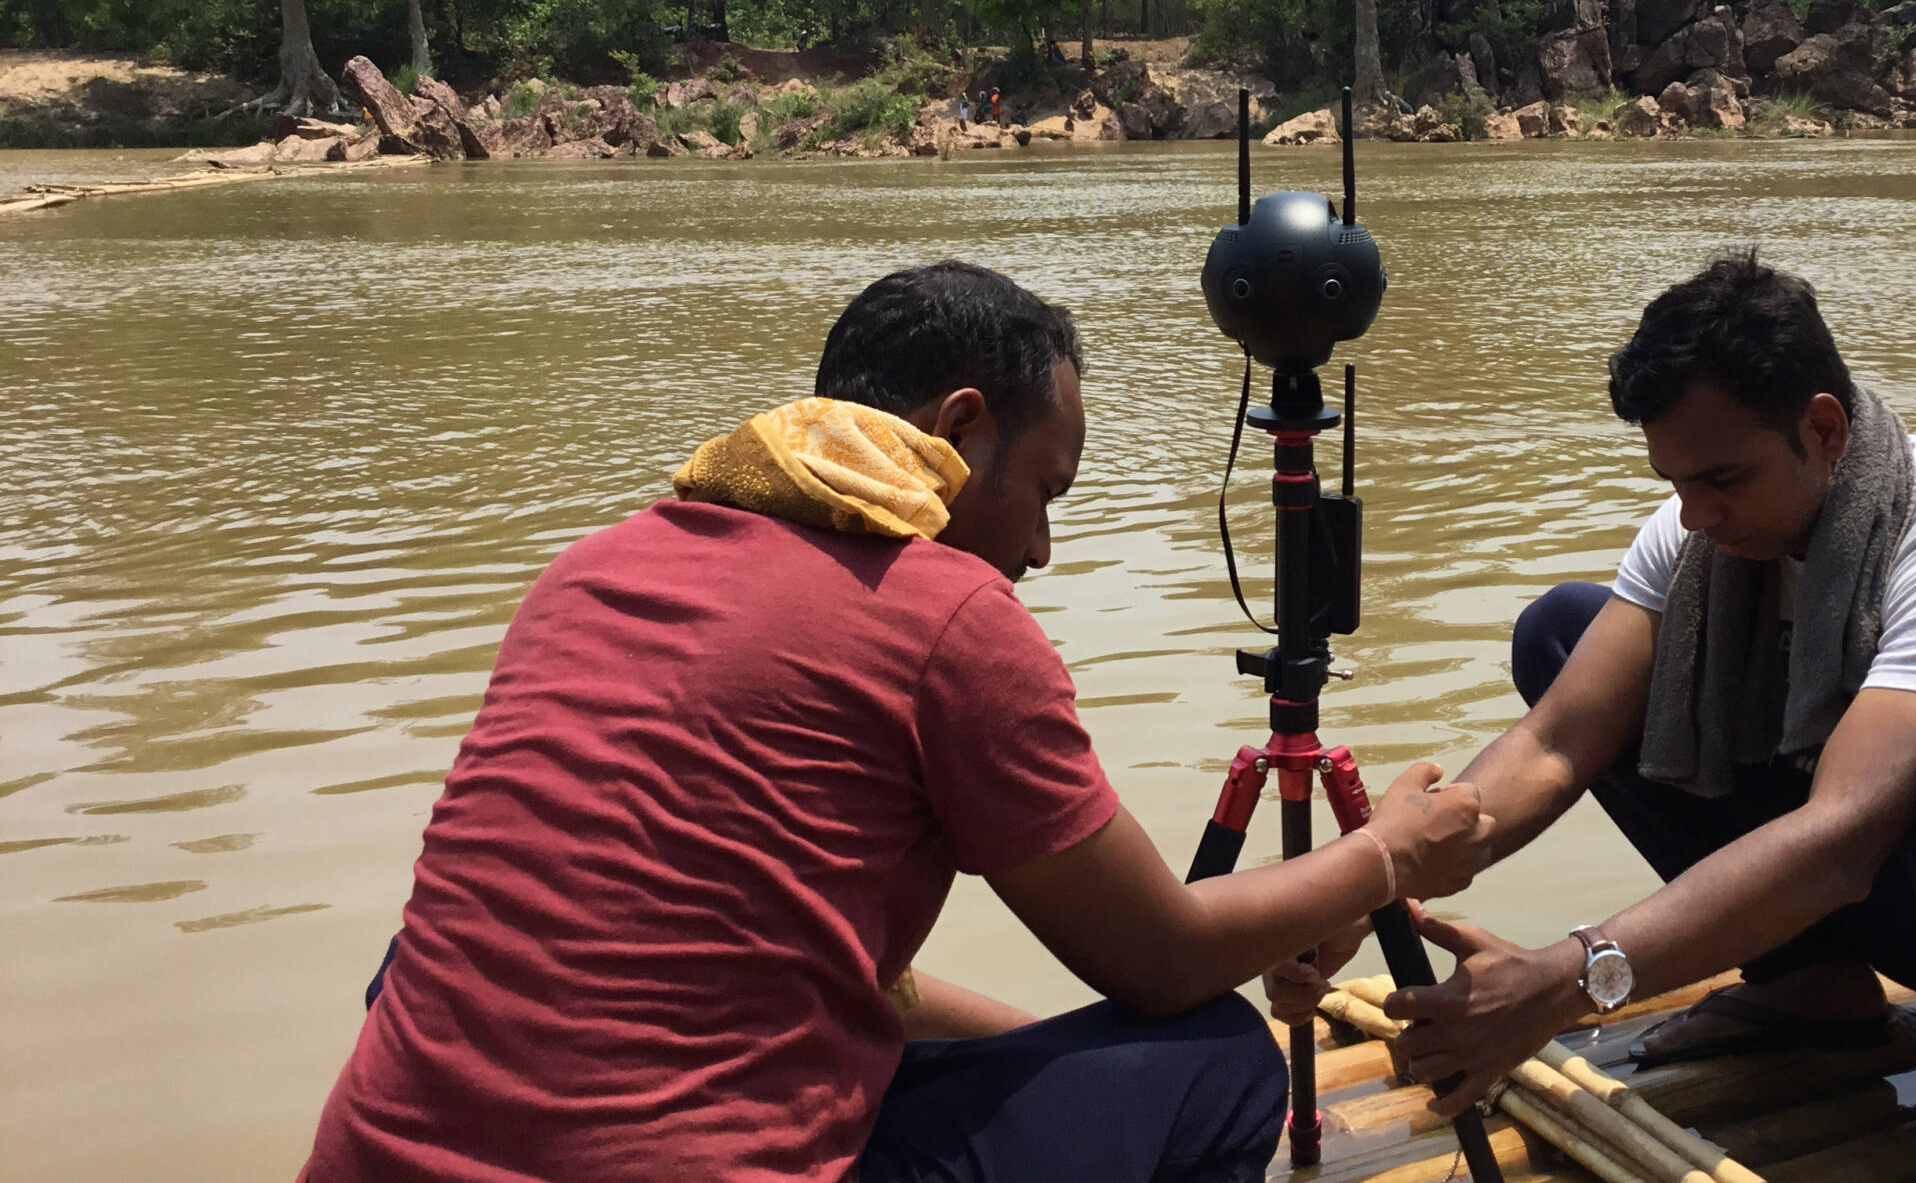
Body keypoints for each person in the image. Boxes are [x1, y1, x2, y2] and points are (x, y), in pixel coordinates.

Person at [303, 260, 1496, 1183]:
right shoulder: (945, 616)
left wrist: (1041, 1056)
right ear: (961, 426)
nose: (1039, 546)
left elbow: (834, 971)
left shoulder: (598, 566)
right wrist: (1387, 851)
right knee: (1216, 1061)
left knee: (417, 966)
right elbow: (1164, 957)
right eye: (1043, 490)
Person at [1272, 250, 1916, 1183]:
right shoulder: (1697, 529)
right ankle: (1810, 986)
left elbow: (1842, 837)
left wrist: (1566, 979)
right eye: (1676, 483)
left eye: (1723, 480)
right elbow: (1558, 740)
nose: (1696, 516)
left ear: (1824, 429)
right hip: (1883, 886)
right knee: (1562, 632)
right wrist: (1359, 888)